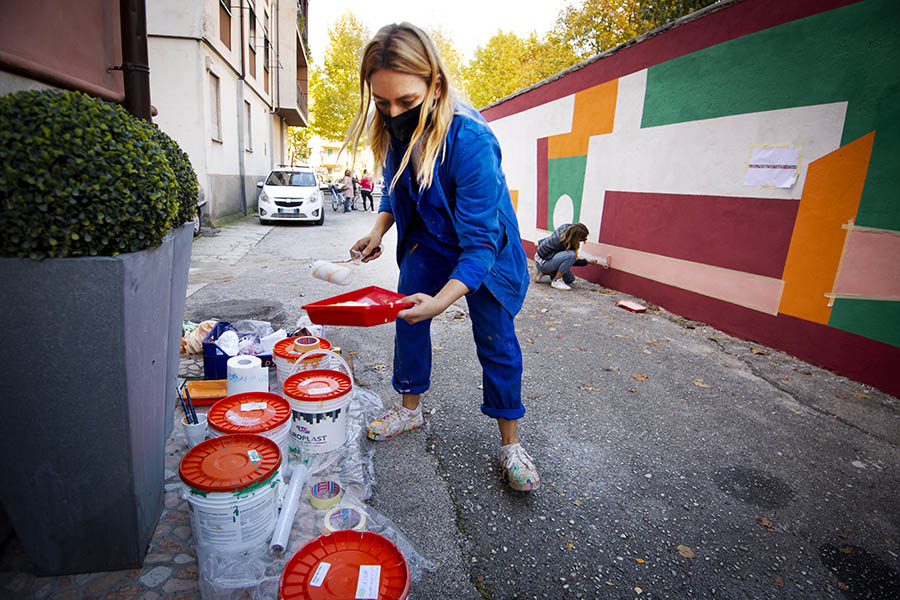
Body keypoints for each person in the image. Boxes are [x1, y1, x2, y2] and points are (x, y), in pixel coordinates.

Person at [345, 22, 539, 492]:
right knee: (408, 319)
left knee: (495, 338)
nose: (394, 113)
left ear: (434, 85)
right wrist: (377, 230)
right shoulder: (393, 129)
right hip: (427, 240)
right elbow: (395, 185)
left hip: (483, 248)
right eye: (382, 102)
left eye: (406, 103)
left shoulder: (470, 140)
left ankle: (511, 442)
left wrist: (444, 299)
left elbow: (479, 246)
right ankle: (409, 411)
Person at [533, 223, 602, 290]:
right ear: (576, 237)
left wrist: (587, 261)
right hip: (544, 262)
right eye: (582, 239)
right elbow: (570, 260)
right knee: (571, 255)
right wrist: (587, 261)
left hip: (542, 259)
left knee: (569, 279)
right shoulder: (563, 242)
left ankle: (543, 271)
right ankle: (556, 281)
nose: (582, 241)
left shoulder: (565, 229)